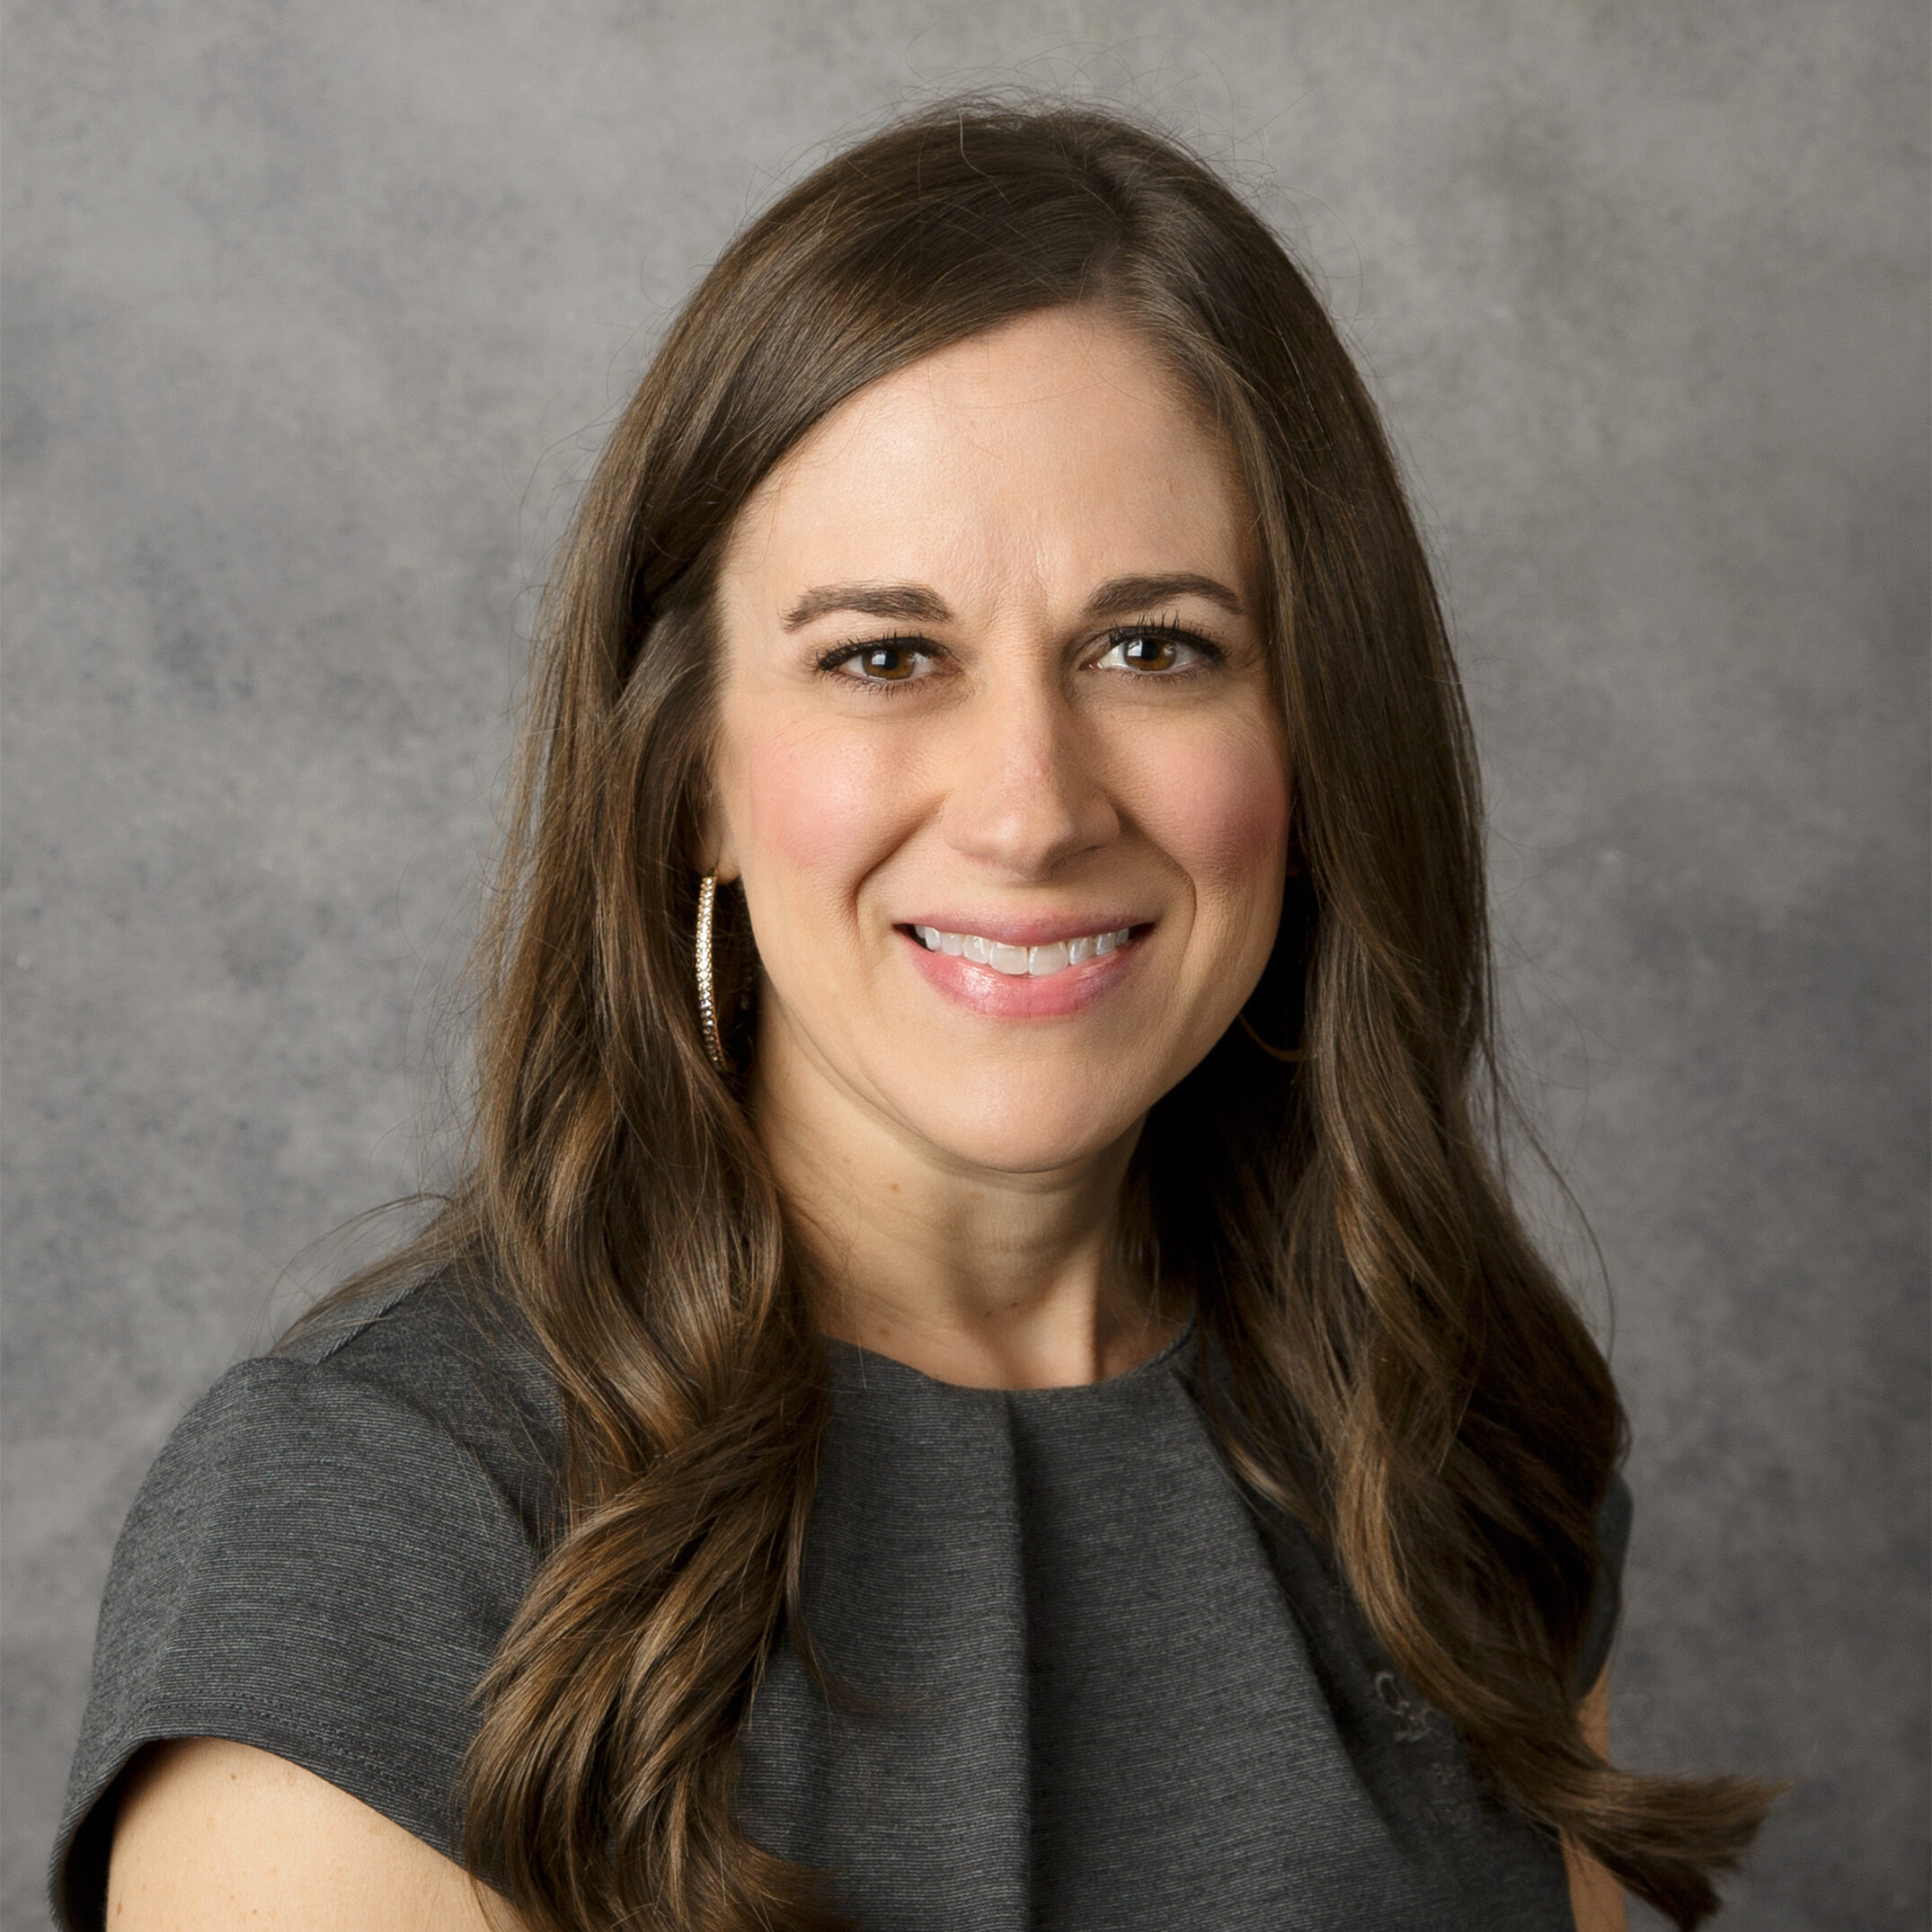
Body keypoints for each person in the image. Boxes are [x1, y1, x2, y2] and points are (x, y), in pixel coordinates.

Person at [53, 101, 1773, 1932]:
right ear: (690, 775)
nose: (1030, 806)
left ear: (1315, 735)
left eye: (1153, 646)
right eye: (885, 656)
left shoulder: (1451, 1437)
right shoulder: (371, 1512)